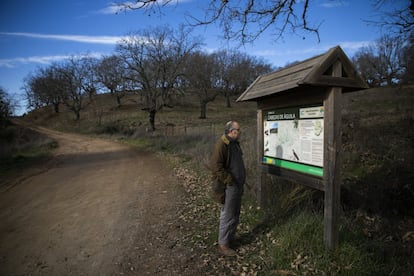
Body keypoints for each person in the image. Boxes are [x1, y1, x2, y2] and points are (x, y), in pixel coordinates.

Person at [210, 120, 246, 256]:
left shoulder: (234, 143)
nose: (240, 132)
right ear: (231, 131)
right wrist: (229, 179)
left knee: (235, 213)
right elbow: (215, 166)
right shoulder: (222, 145)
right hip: (229, 186)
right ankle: (223, 244)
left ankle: (229, 239)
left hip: (237, 185)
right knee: (228, 214)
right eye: (238, 130)